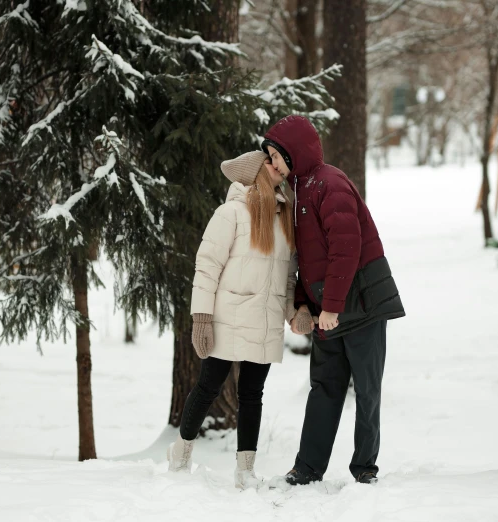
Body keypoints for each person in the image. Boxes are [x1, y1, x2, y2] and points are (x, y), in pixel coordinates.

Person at [261, 115, 405, 486]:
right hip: (328, 308)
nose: (271, 163)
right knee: (324, 388)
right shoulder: (297, 192)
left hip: (361, 304)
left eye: (276, 155)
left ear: (295, 153)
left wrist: (332, 307)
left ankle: (365, 469)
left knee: (367, 389)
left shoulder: (330, 183)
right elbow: (304, 259)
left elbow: (346, 249)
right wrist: (304, 304)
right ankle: (307, 468)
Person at [167, 150, 299, 489]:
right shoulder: (231, 213)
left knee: (252, 393)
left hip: (265, 319)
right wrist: (202, 318)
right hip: (229, 316)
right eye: (271, 163)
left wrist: (292, 312)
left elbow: (286, 279)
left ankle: (245, 471)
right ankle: (180, 453)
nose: (279, 167)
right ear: (256, 172)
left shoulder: (285, 218)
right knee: (209, 386)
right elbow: (207, 265)